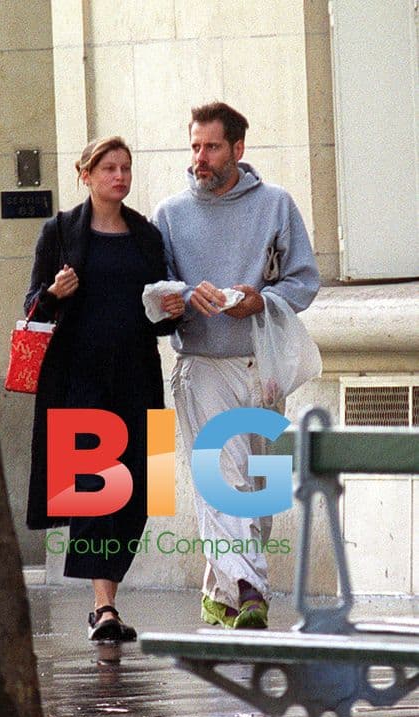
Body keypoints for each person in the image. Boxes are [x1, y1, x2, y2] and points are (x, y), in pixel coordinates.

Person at [153, 102, 320, 630]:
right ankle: (250, 589)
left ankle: (221, 592)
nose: (200, 158)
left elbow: (304, 281)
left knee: (260, 491)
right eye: (195, 146)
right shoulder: (170, 214)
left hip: (263, 363)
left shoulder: (275, 205)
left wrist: (260, 301)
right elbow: (154, 290)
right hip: (202, 365)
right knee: (218, 481)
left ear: (238, 149)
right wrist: (179, 294)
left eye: (212, 147)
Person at [25, 136, 184, 642]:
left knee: (140, 493)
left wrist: (170, 313)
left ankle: (108, 598)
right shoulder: (60, 233)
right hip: (80, 381)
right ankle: (104, 606)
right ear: (86, 175)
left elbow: (157, 318)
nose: (120, 176)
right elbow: (31, 307)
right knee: (94, 494)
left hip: (139, 378)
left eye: (126, 168)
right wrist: (54, 293)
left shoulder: (147, 235)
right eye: (109, 168)